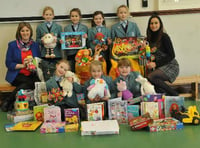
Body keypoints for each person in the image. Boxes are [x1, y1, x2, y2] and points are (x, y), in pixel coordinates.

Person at [1, 22, 41, 112]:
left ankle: (8, 101)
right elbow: (8, 63)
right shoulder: (12, 45)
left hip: (32, 73)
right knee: (29, 83)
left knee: (34, 82)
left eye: (27, 30)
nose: (25, 33)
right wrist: (23, 65)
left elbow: (39, 60)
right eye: (22, 31)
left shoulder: (35, 45)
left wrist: (33, 65)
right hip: (17, 74)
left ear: (30, 32)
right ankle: (9, 101)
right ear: (19, 32)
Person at [146, 14, 179, 96]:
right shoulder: (148, 39)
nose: (154, 25)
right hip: (159, 66)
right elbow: (151, 56)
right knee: (151, 81)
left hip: (171, 65)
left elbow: (172, 55)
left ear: (160, 24)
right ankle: (167, 97)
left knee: (151, 77)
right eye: (151, 23)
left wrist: (155, 64)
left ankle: (174, 94)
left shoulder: (165, 37)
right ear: (149, 25)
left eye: (156, 23)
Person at [36, 6, 62, 81]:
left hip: (56, 54)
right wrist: (42, 41)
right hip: (45, 54)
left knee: (57, 74)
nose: (48, 16)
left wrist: (56, 40)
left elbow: (62, 40)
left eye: (50, 14)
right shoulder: (39, 27)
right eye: (46, 14)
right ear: (43, 15)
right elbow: (37, 40)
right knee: (46, 74)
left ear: (53, 15)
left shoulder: (58, 27)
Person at [63, 8, 88, 72]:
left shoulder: (84, 27)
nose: (74, 18)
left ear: (80, 17)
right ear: (70, 17)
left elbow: (87, 41)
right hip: (70, 53)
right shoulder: (66, 28)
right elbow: (65, 41)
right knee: (71, 71)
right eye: (72, 16)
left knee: (81, 71)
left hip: (81, 53)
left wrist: (86, 37)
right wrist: (63, 41)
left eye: (76, 16)